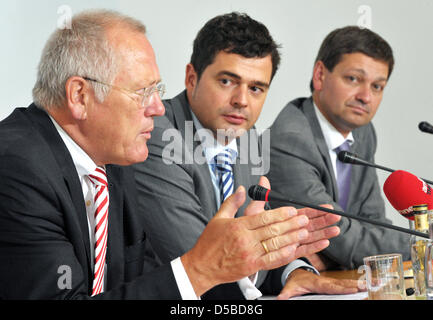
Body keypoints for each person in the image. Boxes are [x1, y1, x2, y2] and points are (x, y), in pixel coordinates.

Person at [0, 9, 342, 300]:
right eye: (142, 92)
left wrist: (270, 253)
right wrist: (199, 268)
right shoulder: (17, 165)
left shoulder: (113, 165)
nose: (157, 107)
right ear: (79, 95)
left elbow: (136, 282)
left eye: (157, 91)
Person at [133, 12, 361, 299]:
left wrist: (296, 272)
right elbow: (203, 262)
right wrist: (263, 248)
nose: (242, 100)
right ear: (192, 78)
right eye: (227, 81)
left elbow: (255, 240)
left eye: (256, 88)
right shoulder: (157, 135)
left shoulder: (249, 138)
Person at [267, 26, 411, 271]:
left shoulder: (363, 132)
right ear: (320, 75)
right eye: (353, 79)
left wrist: (332, 256)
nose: (366, 97)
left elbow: (372, 222)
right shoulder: (289, 139)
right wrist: (423, 247)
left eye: (377, 86)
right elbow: (340, 237)